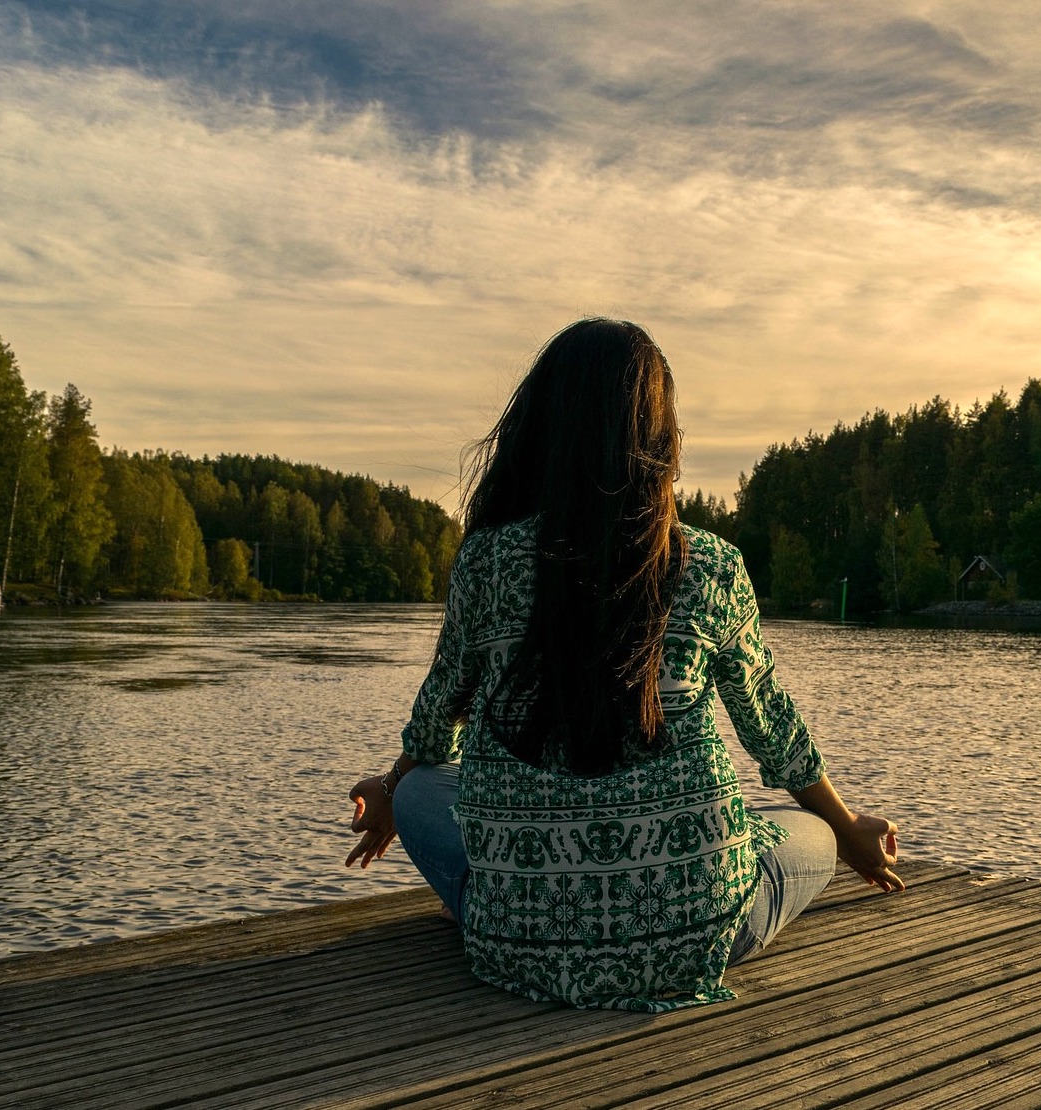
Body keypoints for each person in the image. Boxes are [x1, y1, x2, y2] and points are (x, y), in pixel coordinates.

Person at [345, 318, 903, 1012]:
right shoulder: (712, 565)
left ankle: (513, 906)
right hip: (695, 937)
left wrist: (394, 788)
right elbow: (773, 731)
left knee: (426, 787)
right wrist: (850, 831)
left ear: (541, 427)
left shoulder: (486, 561)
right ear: (660, 437)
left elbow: (436, 723)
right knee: (811, 831)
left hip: (517, 946)